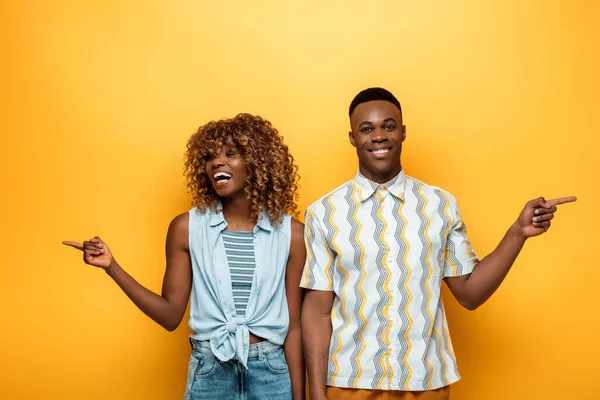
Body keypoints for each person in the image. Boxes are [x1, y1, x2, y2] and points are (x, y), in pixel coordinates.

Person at [300, 87, 576, 400]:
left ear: (402, 133)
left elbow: (470, 294)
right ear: (352, 137)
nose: (378, 136)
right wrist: (317, 392)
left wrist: (517, 233)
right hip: (349, 382)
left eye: (388, 126)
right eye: (367, 129)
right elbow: (317, 311)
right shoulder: (324, 212)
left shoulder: (440, 204)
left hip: (426, 381)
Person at [63, 113, 306, 400]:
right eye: (209, 157)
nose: (216, 162)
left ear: (258, 163)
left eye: (231, 153)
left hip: (272, 374)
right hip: (210, 373)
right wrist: (112, 267)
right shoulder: (186, 228)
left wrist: (299, 396)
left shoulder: (291, 234)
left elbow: (294, 325)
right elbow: (169, 316)